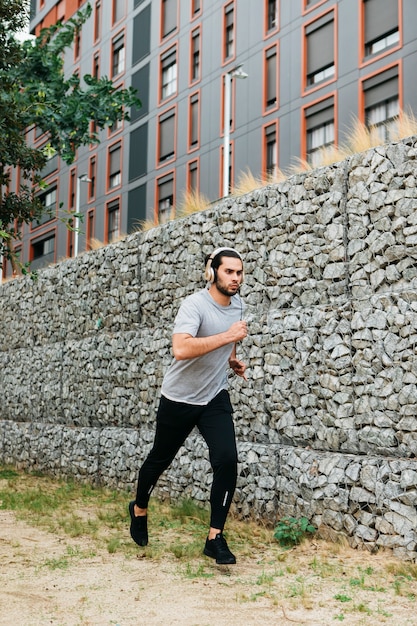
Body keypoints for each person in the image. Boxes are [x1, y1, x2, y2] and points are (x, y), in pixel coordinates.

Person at [129, 247, 248, 565]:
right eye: (229, 272)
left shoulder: (238, 305)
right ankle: (139, 509)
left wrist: (233, 361)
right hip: (179, 397)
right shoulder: (194, 305)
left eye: (239, 272)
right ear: (213, 273)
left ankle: (215, 538)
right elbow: (180, 349)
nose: (235, 278)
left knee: (227, 459)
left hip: (214, 396)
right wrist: (226, 338)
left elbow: (230, 342)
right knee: (159, 459)